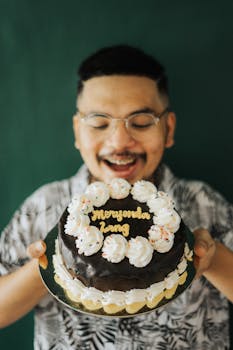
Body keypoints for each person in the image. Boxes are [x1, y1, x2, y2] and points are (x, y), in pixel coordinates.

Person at [0, 45, 233, 350]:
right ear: (77, 131)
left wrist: (213, 260)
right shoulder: (44, 206)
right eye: (98, 123)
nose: (120, 141)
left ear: (169, 128)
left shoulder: (205, 203)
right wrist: (55, 262)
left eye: (140, 122)